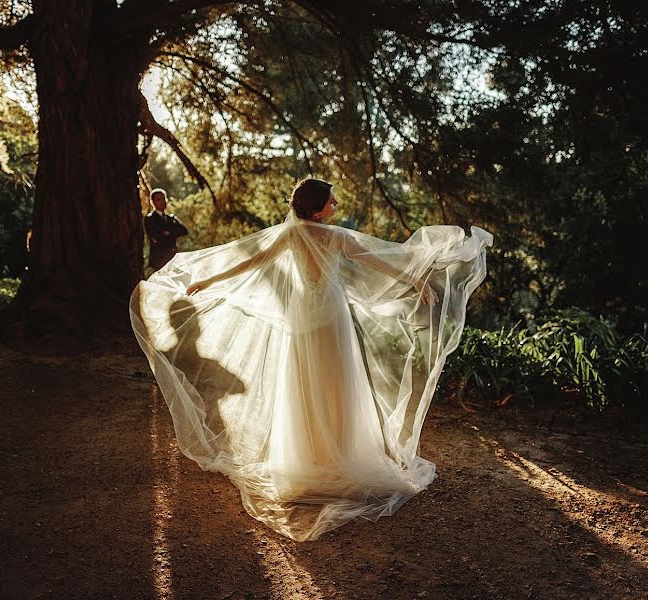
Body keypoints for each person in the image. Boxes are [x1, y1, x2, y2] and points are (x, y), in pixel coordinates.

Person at [130, 178, 492, 541]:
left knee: (308, 382)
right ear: (318, 209)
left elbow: (252, 262)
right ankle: (336, 458)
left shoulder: (294, 235)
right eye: (332, 201)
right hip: (330, 317)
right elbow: (380, 261)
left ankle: (312, 461)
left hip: (303, 313)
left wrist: (211, 280)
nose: (336, 203)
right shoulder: (334, 237)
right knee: (335, 381)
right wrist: (416, 281)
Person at [144, 188, 189, 272]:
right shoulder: (150, 219)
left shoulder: (171, 218)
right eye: (158, 199)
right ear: (152, 202)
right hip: (159, 260)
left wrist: (169, 232)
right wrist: (171, 232)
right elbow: (156, 237)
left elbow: (184, 231)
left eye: (164, 198)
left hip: (173, 258)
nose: (162, 201)